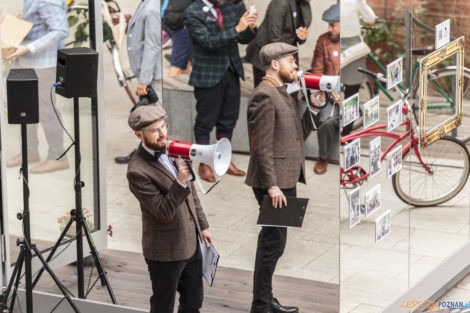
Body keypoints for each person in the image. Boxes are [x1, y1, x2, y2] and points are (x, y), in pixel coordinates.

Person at [246, 42, 322, 313]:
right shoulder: (264, 96)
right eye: (291, 61)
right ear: (274, 64)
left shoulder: (283, 92)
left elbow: (296, 135)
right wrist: (272, 186)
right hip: (275, 181)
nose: (296, 66)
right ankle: (261, 305)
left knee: (275, 242)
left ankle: (265, 300)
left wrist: (312, 109)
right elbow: (261, 147)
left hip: (285, 178)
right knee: (272, 243)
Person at [127, 105, 214, 313]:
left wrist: (203, 226)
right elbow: (163, 212)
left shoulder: (172, 146)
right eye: (155, 130)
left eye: (163, 126)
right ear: (139, 134)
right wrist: (180, 181)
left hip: (191, 242)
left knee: (194, 302)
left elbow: (191, 193)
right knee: (163, 305)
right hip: (165, 251)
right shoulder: (137, 171)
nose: (163, 134)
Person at [184, 0, 258, 182]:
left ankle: (224, 160)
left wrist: (250, 28)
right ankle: (204, 163)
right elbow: (207, 42)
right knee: (205, 121)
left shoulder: (229, 8)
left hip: (231, 71)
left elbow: (241, 38)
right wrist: (238, 29)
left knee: (228, 119)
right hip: (208, 74)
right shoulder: (192, 12)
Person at [6, 0, 69, 174]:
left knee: (46, 110)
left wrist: (29, 48)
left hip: (43, 65)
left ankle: (58, 157)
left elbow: (60, 30)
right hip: (26, 63)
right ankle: (30, 151)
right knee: (24, 109)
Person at [115, 0, 163, 164]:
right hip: (144, 72)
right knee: (146, 118)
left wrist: (144, 81)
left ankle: (153, 158)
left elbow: (152, 46)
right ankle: (145, 154)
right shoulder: (146, 4)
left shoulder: (151, 9)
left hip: (149, 75)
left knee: (153, 119)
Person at [245, 0, 312, 87]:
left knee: (291, 90)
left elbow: (301, 28)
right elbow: (274, 37)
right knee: (268, 93)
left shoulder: (304, 3)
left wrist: (302, 36)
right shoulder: (280, 3)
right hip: (267, 54)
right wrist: (286, 64)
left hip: (287, 50)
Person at [310, 3, 340, 175]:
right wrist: (317, 94)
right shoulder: (323, 40)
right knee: (327, 120)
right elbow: (317, 70)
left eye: (333, 24)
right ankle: (323, 156)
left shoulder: (353, 41)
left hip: (349, 95)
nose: (329, 29)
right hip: (330, 94)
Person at [340, 0, 376, 136]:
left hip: (335, 41)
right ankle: (346, 135)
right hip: (352, 47)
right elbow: (371, 19)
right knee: (351, 93)